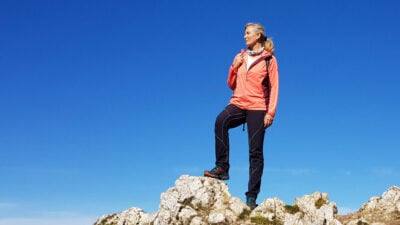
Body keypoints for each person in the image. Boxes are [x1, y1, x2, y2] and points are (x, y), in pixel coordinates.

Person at [204, 22, 279, 210]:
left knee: (255, 152)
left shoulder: (269, 59)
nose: (245, 37)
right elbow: (231, 83)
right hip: (238, 102)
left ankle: (252, 196)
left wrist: (270, 112)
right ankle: (222, 167)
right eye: (244, 34)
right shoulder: (240, 56)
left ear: (258, 36)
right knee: (220, 121)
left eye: (247, 33)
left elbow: (274, 87)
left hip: (258, 106)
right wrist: (234, 66)